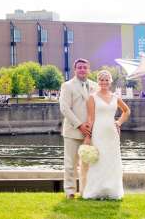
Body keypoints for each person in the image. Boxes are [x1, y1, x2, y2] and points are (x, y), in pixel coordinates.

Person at [82, 70, 130, 200]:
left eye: (106, 80)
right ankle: (96, 191)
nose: (104, 82)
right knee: (99, 161)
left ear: (110, 81)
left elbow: (126, 111)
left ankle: (112, 191)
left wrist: (119, 122)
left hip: (112, 133)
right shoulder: (92, 97)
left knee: (112, 161)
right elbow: (90, 119)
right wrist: (88, 136)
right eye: (101, 80)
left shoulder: (115, 97)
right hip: (98, 132)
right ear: (98, 81)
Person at [59, 58, 98, 199]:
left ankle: (85, 191)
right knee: (70, 164)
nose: (82, 70)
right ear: (75, 70)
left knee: (87, 164)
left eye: (84, 67)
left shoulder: (95, 86)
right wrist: (80, 125)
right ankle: (70, 192)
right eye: (79, 67)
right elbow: (65, 108)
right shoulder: (67, 86)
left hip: (90, 132)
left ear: (88, 69)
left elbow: (98, 108)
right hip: (73, 131)